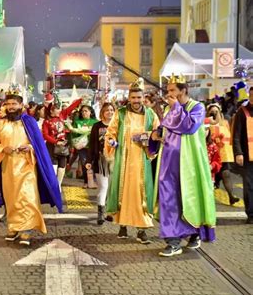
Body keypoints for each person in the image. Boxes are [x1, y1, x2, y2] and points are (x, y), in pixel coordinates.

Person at [150, 75, 216, 257]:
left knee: (190, 198)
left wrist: (175, 108)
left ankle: (194, 233)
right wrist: (155, 135)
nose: (169, 94)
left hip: (190, 165)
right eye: (168, 90)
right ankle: (173, 241)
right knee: (168, 199)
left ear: (183, 90)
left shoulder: (198, 107)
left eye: (172, 90)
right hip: (168, 162)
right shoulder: (169, 108)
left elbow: (189, 126)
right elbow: (164, 129)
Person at [0, 91, 62, 246]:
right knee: (11, 198)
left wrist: (29, 147)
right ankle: (13, 227)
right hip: (7, 167)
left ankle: (26, 229)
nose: (11, 107)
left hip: (27, 166)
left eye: (14, 104)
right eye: (8, 104)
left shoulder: (29, 122)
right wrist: (2, 148)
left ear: (21, 105)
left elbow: (39, 145)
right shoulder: (0, 123)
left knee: (27, 197)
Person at [105, 78, 159, 244]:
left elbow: (158, 135)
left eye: (139, 97)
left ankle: (141, 230)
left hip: (142, 162)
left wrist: (143, 137)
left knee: (141, 195)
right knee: (124, 194)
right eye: (133, 97)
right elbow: (110, 133)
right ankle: (123, 225)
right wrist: (112, 141)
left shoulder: (151, 115)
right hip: (124, 162)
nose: (136, 101)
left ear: (144, 98)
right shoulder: (120, 113)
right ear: (129, 98)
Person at [42, 98, 83, 189]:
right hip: (52, 146)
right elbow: (45, 135)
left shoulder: (62, 115)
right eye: (57, 109)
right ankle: (52, 184)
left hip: (63, 145)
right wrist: (56, 142)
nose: (59, 110)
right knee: (53, 166)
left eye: (59, 108)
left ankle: (58, 184)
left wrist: (80, 100)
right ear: (51, 111)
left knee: (62, 166)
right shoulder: (46, 121)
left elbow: (71, 108)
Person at [86, 102, 116, 225]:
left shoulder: (117, 125)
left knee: (111, 188)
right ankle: (100, 213)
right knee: (103, 187)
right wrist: (89, 161)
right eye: (106, 110)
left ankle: (109, 212)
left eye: (111, 110)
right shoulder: (96, 126)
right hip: (101, 161)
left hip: (115, 161)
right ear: (102, 112)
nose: (109, 112)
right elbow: (92, 144)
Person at [207, 103, 240, 205]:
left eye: (216, 111)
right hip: (210, 156)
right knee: (210, 180)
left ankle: (231, 196)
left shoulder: (226, 123)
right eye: (211, 112)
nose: (214, 113)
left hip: (223, 155)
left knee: (226, 174)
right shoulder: (206, 124)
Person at [232, 85, 253, 224]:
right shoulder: (242, 112)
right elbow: (236, 135)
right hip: (248, 156)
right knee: (250, 185)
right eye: (252, 96)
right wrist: (238, 152)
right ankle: (251, 214)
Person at [66, 105, 98, 188]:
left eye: (86, 111)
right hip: (82, 147)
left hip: (92, 146)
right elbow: (74, 134)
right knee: (84, 163)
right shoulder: (77, 122)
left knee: (92, 163)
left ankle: (93, 181)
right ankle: (86, 182)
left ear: (91, 112)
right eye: (82, 111)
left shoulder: (95, 122)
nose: (84, 113)